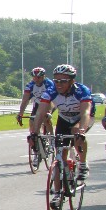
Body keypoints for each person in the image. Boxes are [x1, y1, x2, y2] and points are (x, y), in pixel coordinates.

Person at [31, 63, 93, 200]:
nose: (59, 84)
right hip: (64, 118)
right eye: (56, 81)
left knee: (76, 131)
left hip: (82, 118)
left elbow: (85, 112)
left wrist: (82, 130)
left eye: (63, 81)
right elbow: (40, 113)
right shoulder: (51, 91)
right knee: (59, 156)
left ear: (72, 81)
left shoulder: (82, 91)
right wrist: (34, 133)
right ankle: (58, 193)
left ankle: (83, 164)